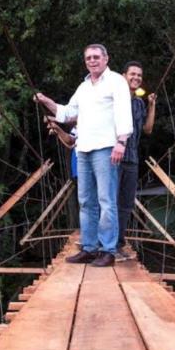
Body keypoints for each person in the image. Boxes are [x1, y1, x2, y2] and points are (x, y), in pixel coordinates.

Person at [35, 44, 132, 267]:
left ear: (106, 58)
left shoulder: (116, 81)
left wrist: (121, 142)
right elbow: (68, 113)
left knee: (106, 200)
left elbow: (124, 113)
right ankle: (89, 248)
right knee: (86, 201)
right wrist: (46, 101)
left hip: (107, 147)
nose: (92, 60)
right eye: (88, 57)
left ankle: (107, 250)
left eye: (96, 57)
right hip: (83, 149)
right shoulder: (84, 86)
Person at [116, 61, 156, 260]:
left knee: (125, 203)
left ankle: (118, 244)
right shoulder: (114, 99)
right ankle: (104, 244)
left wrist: (152, 105)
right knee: (109, 202)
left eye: (139, 75)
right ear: (124, 76)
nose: (136, 78)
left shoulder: (139, 103)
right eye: (132, 74)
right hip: (114, 157)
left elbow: (147, 130)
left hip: (132, 158)